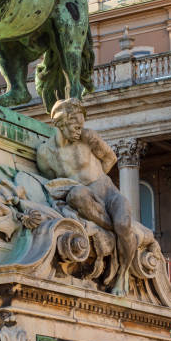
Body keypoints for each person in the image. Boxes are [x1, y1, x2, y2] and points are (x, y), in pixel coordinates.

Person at [37, 98, 137, 296]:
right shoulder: (45, 154)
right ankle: (116, 229)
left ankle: (123, 275)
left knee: (124, 224)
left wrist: (97, 180)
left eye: (81, 126)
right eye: (75, 126)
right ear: (60, 123)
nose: (79, 130)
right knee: (76, 194)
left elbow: (110, 158)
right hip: (84, 197)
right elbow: (53, 182)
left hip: (108, 193)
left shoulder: (87, 137)